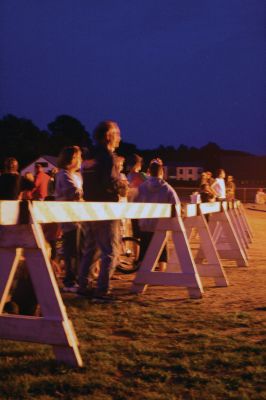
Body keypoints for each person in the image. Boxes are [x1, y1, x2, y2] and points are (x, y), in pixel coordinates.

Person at [78, 120, 124, 300]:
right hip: (106, 207)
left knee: (92, 248)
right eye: (117, 133)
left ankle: (84, 286)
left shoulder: (89, 157)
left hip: (91, 207)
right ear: (108, 136)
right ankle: (102, 290)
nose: (120, 137)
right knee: (111, 251)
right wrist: (121, 185)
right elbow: (110, 183)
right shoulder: (108, 157)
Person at [134, 158, 180, 272]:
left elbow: (134, 204)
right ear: (162, 173)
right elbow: (176, 206)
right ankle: (161, 273)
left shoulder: (142, 187)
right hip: (160, 225)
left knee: (144, 250)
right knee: (161, 252)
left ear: (149, 172)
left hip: (145, 225)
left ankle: (143, 275)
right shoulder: (167, 188)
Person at [55, 146, 83, 292]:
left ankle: (76, 278)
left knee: (78, 249)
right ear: (72, 159)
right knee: (71, 249)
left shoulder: (75, 176)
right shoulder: (63, 175)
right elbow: (74, 193)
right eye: (79, 157)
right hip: (69, 217)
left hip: (77, 217)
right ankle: (70, 281)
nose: (81, 161)